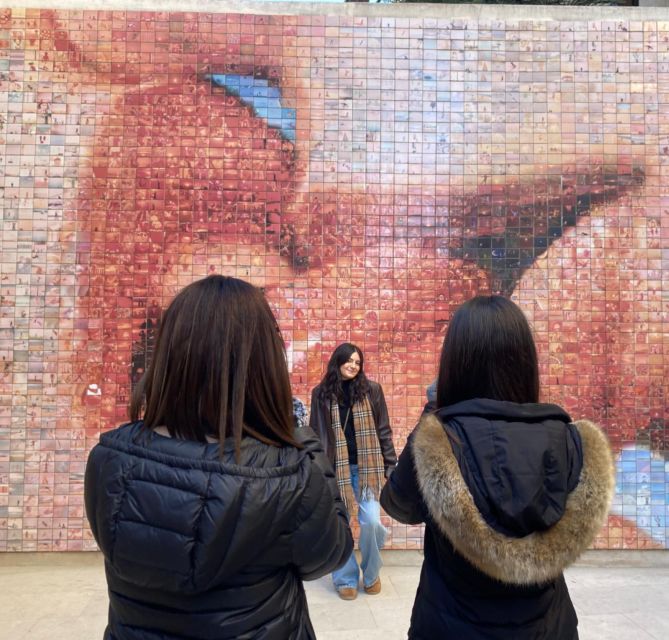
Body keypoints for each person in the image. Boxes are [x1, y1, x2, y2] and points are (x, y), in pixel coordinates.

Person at [84, 275, 353, 640]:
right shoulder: (289, 472)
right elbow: (330, 553)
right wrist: (301, 437)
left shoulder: (109, 459)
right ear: (263, 363)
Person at [381, 295, 615, 639]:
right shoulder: (568, 440)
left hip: (450, 626)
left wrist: (432, 411)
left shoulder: (441, 438)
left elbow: (398, 505)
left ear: (455, 364)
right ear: (525, 362)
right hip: (549, 626)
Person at [309, 343, 397, 600]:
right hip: (337, 469)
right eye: (348, 360)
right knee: (341, 524)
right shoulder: (321, 394)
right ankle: (345, 577)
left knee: (370, 521)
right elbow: (315, 433)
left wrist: (390, 464)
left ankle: (371, 574)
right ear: (337, 362)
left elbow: (383, 429)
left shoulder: (372, 391)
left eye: (357, 362)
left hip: (367, 469)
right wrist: (317, 468)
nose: (353, 366)